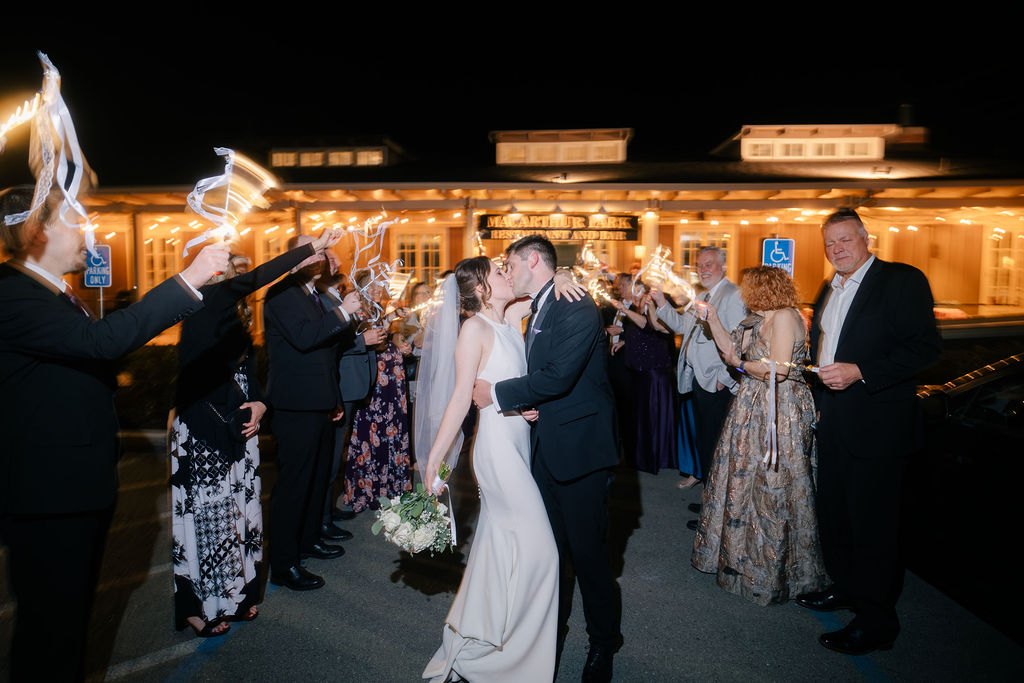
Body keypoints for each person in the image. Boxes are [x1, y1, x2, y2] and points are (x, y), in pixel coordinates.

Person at [0, 185, 228, 681]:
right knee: (49, 629)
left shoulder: (51, 292)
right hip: (47, 494)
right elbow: (99, 343)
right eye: (74, 220)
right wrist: (188, 280)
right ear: (36, 231)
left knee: (69, 624)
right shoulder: (11, 293)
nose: (89, 231)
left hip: (75, 487)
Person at [170, 229, 342, 636]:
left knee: (236, 517)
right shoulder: (200, 299)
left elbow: (247, 363)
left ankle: (234, 596)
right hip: (204, 424)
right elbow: (262, 276)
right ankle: (197, 608)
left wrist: (261, 402)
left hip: (241, 418)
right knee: (205, 520)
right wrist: (310, 249)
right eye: (222, 256)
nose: (231, 262)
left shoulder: (231, 307)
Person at [420, 258, 580, 682]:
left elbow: (544, 290)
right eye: (497, 272)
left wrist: (563, 274)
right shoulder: (474, 329)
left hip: (518, 444)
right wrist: (435, 459)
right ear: (479, 288)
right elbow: (459, 398)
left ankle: (483, 642)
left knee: (499, 551)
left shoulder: (509, 317)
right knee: (543, 553)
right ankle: (509, 664)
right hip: (495, 451)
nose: (507, 274)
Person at [472, 236, 621, 682]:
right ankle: (545, 635)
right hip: (545, 448)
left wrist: (495, 394)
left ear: (531, 260)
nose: (507, 270)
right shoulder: (539, 303)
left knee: (589, 556)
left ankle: (603, 644)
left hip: (581, 450)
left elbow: (556, 378)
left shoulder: (575, 306)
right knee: (550, 554)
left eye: (509, 263)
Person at [798, 208, 941, 655]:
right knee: (837, 516)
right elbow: (828, 348)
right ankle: (847, 589)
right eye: (830, 244)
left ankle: (877, 621)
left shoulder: (901, 280)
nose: (837, 249)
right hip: (836, 420)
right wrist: (821, 404)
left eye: (845, 240)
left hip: (879, 426)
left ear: (866, 238)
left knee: (873, 527)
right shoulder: (830, 286)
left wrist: (862, 371)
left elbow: (926, 349)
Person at [684, 266, 827, 605]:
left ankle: (774, 568)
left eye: (748, 288)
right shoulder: (755, 319)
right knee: (743, 479)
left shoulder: (785, 317)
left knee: (773, 483)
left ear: (761, 288)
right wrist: (713, 318)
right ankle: (741, 558)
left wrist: (740, 365)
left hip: (779, 409)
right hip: (752, 402)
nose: (744, 294)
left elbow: (777, 369)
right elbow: (730, 351)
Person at [263, 235, 355, 591]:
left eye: (319, 251)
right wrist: (343, 311)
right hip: (295, 405)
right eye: (311, 251)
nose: (318, 257)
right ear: (294, 257)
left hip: (317, 401)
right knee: (293, 486)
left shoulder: (311, 295)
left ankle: (307, 541)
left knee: (316, 479)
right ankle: (284, 565)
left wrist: (332, 398)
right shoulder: (282, 295)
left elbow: (325, 356)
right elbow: (305, 339)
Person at [653, 247, 746, 525]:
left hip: (714, 384)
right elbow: (682, 326)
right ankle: (711, 502)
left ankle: (717, 513)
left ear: (723, 267)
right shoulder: (703, 296)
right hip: (697, 380)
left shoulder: (732, 295)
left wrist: (723, 378)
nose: (703, 269)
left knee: (715, 448)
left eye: (709, 264)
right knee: (705, 445)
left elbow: (737, 340)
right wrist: (660, 302)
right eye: (700, 265)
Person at [317, 256, 385, 533]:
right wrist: (361, 341)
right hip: (340, 385)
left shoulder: (335, 297)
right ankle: (321, 521)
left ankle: (327, 513)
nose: (334, 262)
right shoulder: (323, 300)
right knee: (330, 457)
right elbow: (327, 343)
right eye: (327, 259)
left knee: (336, 454)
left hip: (352, 386)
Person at [341, 270, 412, 513]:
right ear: (359, 288)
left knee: (391, 433)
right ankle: (369, 488)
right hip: (375, 386)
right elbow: (365, 340)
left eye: (379, 285)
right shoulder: (356, 311)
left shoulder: (377, 309)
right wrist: (389, 322)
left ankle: (391, 486)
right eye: (370, 286)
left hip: (392, 385)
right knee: (371, 434)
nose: (376, 289)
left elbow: (383, 336)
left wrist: (397, 338)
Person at [613, 286, 677, 474]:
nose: (635, 294)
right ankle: (641, 456)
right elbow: (641, 333)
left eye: (639, 292)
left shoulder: (652, 311)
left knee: (650, 418)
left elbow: (649, 326)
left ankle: (652, 457)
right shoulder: (638, 311)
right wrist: (624, 341)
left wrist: (624, 310)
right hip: (640, 372)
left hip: (653, 374)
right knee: (640, 418)